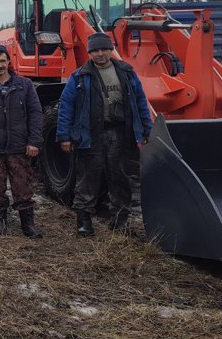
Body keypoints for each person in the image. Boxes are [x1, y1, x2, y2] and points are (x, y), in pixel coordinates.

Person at [57, 32, 152, 237]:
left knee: (120, 177)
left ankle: (120, 220)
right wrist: (64, 136)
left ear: (110, 50)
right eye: (95, 50)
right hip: (90, 135)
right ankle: (84, 221)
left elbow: (140, 101)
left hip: (120, 133)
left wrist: (146, 129)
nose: (100, 54)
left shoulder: (126, 72)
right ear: (89, 53)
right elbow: (66, 106)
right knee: (88, 178)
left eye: (104, 49)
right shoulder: (80, 76)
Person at [0, 45, 44, 238]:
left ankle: (28, 224)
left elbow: (36, 114)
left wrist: (35, 141)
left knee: (23, 186)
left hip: (19, 147)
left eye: (2, 60)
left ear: (9, 61)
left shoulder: (25, 85)